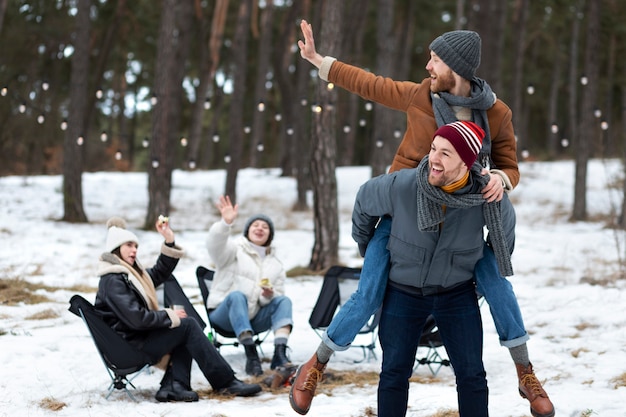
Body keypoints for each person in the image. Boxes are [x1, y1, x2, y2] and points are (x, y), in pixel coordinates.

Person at [290, 20, 554, 417]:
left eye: (435, 60)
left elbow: (510, 166)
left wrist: (500, 178)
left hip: (464, 214)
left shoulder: (496, 114)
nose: (428, 67)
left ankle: (524, 371)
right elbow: (370, 84)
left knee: (498, 285)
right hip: (405, 211)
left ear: (457, 68)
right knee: (367, 293)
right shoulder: (421, 96)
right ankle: (317, 364)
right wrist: (318, 61)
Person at [366, 121, 511, 416]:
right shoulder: (403, 184)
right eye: (434, 149)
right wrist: (373, 253)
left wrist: (477, 282)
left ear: (466, 162)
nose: (433, 158)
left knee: (471, 375)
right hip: (402, 293)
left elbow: (503, 244)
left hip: (456, 295)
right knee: (393, 373)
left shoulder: (486, 196)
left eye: (446, 153)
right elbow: (362, 206)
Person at [94, 216, 261, 402]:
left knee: (184, 327)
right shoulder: (113, 280)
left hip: (132, 341)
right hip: (128, 348)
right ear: (116, 249)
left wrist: (169, 241)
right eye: (129, 245)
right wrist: (169, 315)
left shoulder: (127, 275)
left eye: (136, 246)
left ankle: (174, 386)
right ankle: (225, 382)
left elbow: (158, 273)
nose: (134, 250)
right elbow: (136, 319)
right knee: (187, 325)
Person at [205, 195, 294, 378]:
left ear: (270, 235)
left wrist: (268, 295)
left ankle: (280, 353)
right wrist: (225, 224)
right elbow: (214, 246)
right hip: (224, 315)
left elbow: (274, 297)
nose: (260, 229)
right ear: (247, 230)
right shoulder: (234, 249)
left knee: (284, 301)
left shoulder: (276, 264)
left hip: (253, 318)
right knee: (237, 296)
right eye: (255, 225)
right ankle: (251, 355)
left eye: (265, 227)